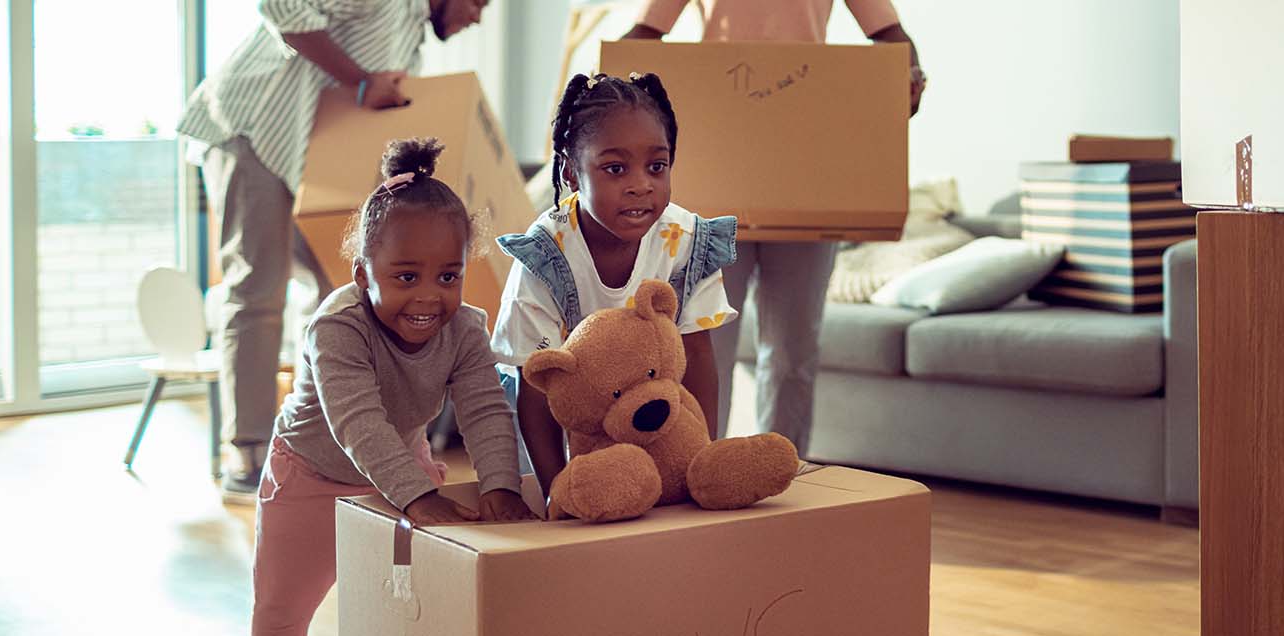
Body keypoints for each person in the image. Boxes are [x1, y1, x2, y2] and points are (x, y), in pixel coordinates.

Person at [176, 0, 490, 504]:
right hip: (255, 130)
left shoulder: (410, 38)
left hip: (312, 164)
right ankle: (247, 449)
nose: (476, 16)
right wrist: (360, 79)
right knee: (257, 288)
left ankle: (322, 446)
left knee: (336, 295)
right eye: (478, 2)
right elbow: (279, 6)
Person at [250, 138, 534, 635]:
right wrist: (418, 497)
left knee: (408, 606)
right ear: (364, 275)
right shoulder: (337, 328)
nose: (429, 295)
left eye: (449, 276)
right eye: (406, 276)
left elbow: (487, 409)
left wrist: (501, 484)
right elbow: (358, 424)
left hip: (403, 469)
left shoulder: (464, 328)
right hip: (311, 477)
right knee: (281, 613)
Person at [622, 0, 926, 455]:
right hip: (720, 178)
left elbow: (892, 39)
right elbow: (643, 35)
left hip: (809, 176)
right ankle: (696, 466)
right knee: (704, 346)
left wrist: (904, 80)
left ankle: (784, 469)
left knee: (793, 354)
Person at [490, 73, 738, 497]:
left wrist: (701, 463)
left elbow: (697, 356)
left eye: (656, 166)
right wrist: (558, 491)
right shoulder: (544, 258)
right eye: (615, 168)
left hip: (654, 415)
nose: (641, 184)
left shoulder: (689, 243)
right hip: (564, 425)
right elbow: (535, 390)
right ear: (571, 174)